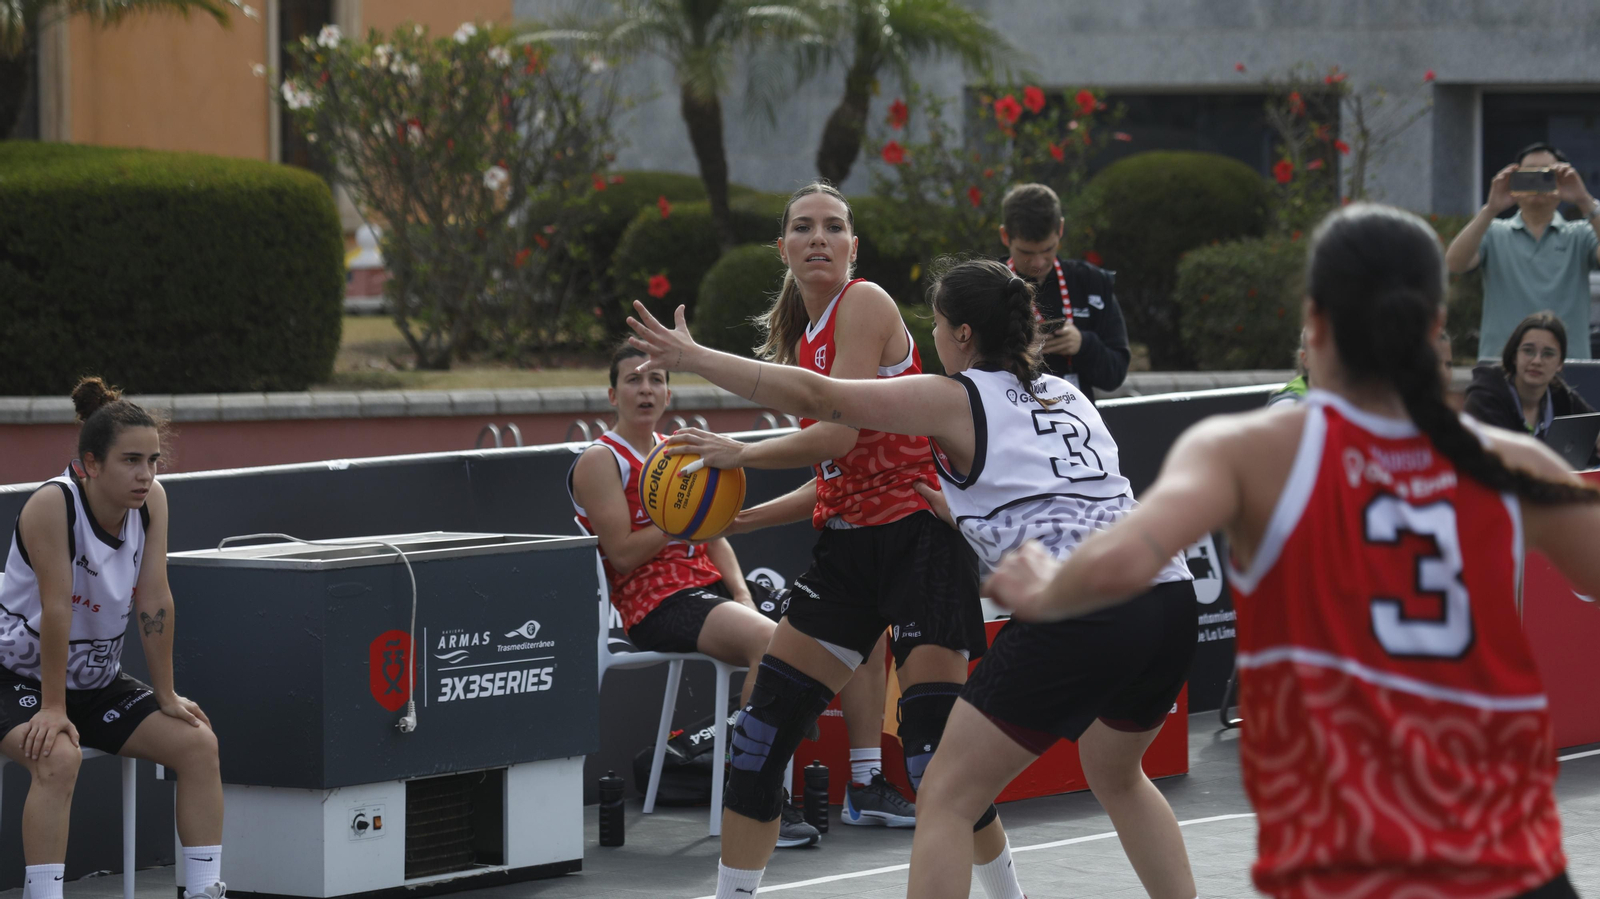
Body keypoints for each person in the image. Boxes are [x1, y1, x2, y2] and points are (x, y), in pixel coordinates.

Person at [985, 203, 1597, 899]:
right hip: (1506, 854)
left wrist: (1046, 585)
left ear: (1316, 322)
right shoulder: (1514, 460)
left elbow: (1129, 555)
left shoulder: (1250, 452)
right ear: (1435, 327)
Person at [626, 257, 1200, 899]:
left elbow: (825, 401)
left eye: (935, 327)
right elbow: (1053, 495)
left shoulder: (955, 395)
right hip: (1168, 596)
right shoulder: (1069, 397)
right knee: (1117, 773)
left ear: (959, 335)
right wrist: (963, 516)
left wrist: (696, 356)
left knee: (947, 793)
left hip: (1084, 604)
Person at [658, 183, 1021, 899]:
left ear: (853, 247)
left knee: (931, 756)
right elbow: (836, 472)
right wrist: (748, 518)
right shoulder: (802, 338)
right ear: (785, 247)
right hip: (850, 551)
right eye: (803, 227)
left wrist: (741, 452)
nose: (818, 237)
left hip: (921, 538)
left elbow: (840, 429)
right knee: (761, 739)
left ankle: (1009, 893)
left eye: (833, 227)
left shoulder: (865, 303)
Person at [566, 344, 820, 849]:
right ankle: (753, 798)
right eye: (634, 381)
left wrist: (742, 593)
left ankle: (863, 780)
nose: (646, 390)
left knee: (824, 632)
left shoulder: (676, 450)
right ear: (612, 394)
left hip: (707, 589)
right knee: (772, 646)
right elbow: (620, 555)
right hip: (654, 603)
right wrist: (676, 521)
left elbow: (715, 534)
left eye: (657, 380)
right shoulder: (601, 459)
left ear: (668, 392)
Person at [0, 378, 225, 899]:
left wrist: (165, 695)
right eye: (130, 460)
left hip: (95, 681)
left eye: (152, 460)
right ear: (90, 463)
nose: (145, 474)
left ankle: (203, 889)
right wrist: (53, 707)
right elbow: (57, 609)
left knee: (198, 743)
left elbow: (154, 600)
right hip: (16, 677)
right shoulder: (51, 505)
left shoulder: (153, 504)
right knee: (58, 756)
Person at [1445, 141, 1600, 360]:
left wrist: (1584, 200)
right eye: (1528, 175)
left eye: (1547, 175)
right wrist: (1491, 209)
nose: (1537, 180)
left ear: (1561, 180)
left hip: (1569, 366)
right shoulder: (1494, 231)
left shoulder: (1580, 234)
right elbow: (1454, 263)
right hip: (1501, 365)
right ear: (1514, 179)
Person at [998, 183, 1130, 402]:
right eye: (1026, 253)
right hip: (1011, 419)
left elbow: (1115, 375)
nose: (1038, 263)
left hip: (1077, 423)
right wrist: (1014, 354)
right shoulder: (985, 283)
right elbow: (962, 370)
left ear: (1060, 229)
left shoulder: (1092, 281)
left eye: (1048, 249)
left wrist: (1083, 344)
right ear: (1005, 236)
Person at [1465, 312, 1597, 453]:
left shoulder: (1563, 397)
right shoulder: (1484, 397)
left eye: (1548, 354)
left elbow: (1594, 426)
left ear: (1560, 363)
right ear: (1514, 356)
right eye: (1528, 351)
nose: (1537, 361)